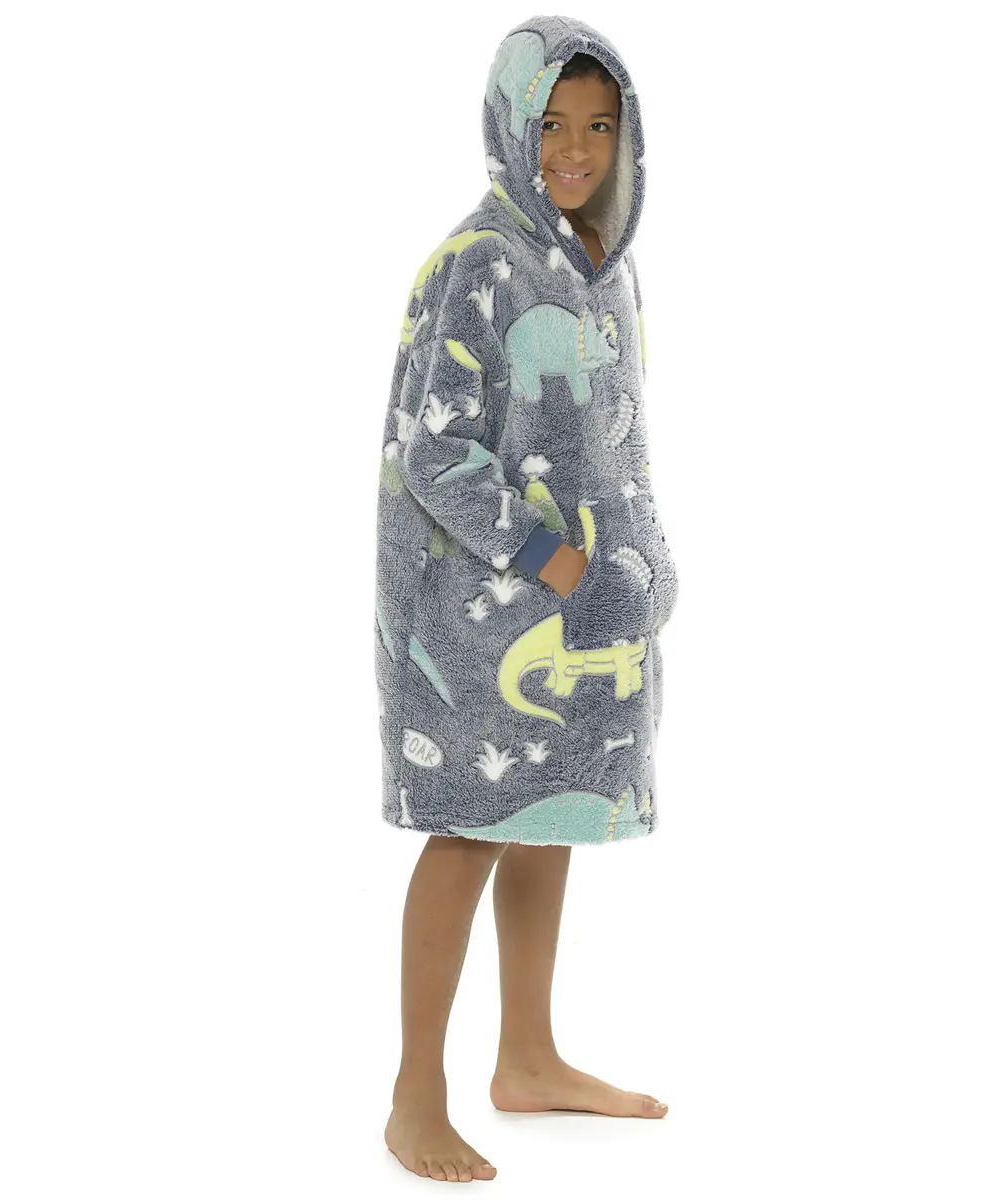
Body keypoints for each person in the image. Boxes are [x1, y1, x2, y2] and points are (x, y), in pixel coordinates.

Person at [373, 15, 679, 1182]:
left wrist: (642, 559)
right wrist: (555, 562)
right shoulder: (478, 264)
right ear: (512, 124)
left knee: (549, 818)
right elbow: (434, 453)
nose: (576, 150)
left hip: (586, 605)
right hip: (480, 606)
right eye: (552, 124)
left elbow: (618, 438)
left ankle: (529, 1054)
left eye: (599, 126)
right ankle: (414, 1094)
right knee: (467, 829)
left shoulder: (606, 269)